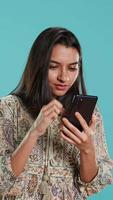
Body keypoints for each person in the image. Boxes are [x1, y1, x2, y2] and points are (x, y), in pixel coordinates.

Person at [0, 27, 113, 200]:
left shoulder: (87, 114)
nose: (64, 77)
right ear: (38, 66)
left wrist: (87, 149)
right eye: (53, 67)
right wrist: (34, 132)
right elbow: (2, 180)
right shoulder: (8, 108)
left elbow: (92, 185)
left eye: (72, 68)